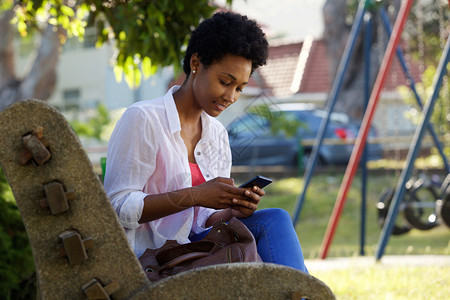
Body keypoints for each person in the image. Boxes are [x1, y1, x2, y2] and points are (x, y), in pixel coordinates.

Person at [104, 11, 308, 273]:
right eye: (225, 82)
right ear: (196, 63)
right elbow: (117, 207)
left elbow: (200, 221)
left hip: (198, 249)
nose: (231, 96)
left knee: (274, 218)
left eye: (240, 88)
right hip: (152, 260)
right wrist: (196, 195)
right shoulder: (144, 119)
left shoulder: (217, 135)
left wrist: (231, 211)